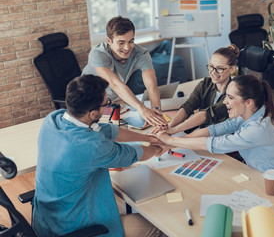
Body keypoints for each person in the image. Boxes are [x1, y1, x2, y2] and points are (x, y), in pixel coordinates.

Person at [32, 74, 166, 237]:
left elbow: (104, 129)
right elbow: (131, 154)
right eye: (106, 104)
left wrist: (147, 137)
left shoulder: (53, 120)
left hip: (46, 217)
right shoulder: (91, 146)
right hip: (69, 228)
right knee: (161, 226)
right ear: (92, 113)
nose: (107, 107)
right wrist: (159, 147)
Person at [154, 75, 274, 198]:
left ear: (248, 102)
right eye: (226, 95)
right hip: (270, 181)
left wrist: (171, 141)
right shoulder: (250, 114)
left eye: (231, 98)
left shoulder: (258, 128)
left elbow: (216, 143)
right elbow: (215, 130)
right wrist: (173, 136)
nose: (225, 101)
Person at [82, 15, 166, 128]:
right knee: (92, 133)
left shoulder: (141, 54)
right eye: (121, 43)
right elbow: (115, 84)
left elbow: (152, 87)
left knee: (110, 130)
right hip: (86, 103)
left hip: (108, 103)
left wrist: (156, 111)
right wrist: (142, 109)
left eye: (131, 41)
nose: (127, 48)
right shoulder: (98, 54)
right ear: (109, 41)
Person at [155, 44, 239, 135]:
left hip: (218, 138)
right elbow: (188, 107)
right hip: (199, 132)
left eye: (219, 68)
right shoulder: (205, 84)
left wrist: (174, 130)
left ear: (232, 69)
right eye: (211, 66)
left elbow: (206, 115)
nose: (213, 72)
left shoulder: (233, 93)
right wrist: (169, 128)